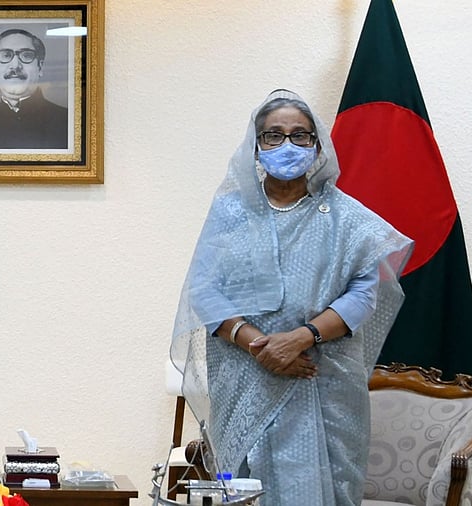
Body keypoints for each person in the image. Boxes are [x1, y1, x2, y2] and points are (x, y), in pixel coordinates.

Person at [171, 89, 413, 505]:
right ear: (256, 146)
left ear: (318, 146)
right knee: (244, 487)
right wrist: (259, 346)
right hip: (245, 374)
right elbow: (204, 290)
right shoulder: (231, 212)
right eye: (273, 135)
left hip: (319, 374)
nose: (287, 145)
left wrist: (301, 338)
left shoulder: (345, 216)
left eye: (300, 135)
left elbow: (362, 294)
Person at [0, 28, 68, 149]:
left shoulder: (68, 123)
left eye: (26, 55)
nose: (15, 66)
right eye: (6, 55)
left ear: (40, 67)